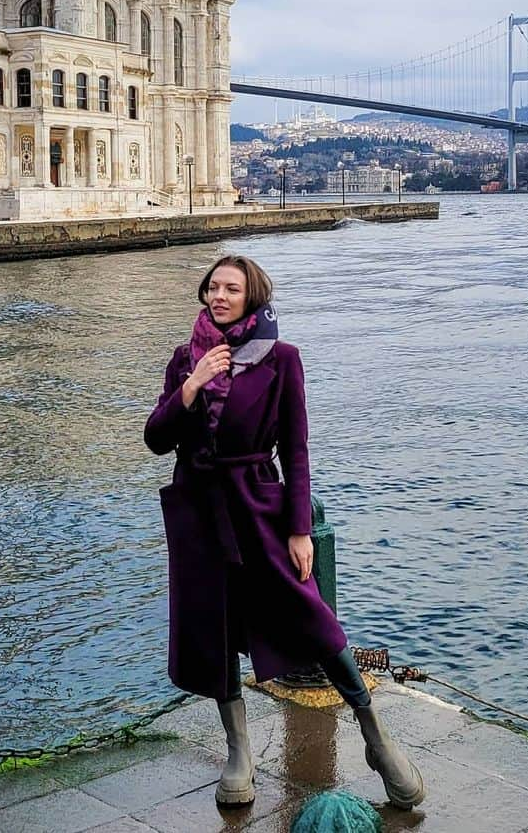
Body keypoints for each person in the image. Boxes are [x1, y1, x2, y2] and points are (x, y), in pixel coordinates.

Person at [144, 255, 425, 812]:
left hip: (259, 505)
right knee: (215, 630)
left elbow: (296, 452)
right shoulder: (185, 359)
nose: (219, 296)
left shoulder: (282, 359)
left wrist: (300, 529)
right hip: (200, 510)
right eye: (213, 287)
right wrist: (190, 389)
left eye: (232, 288)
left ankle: (375, 735)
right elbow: (156, 438)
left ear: (253, 298)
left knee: (312, 620)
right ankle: (239, 752)